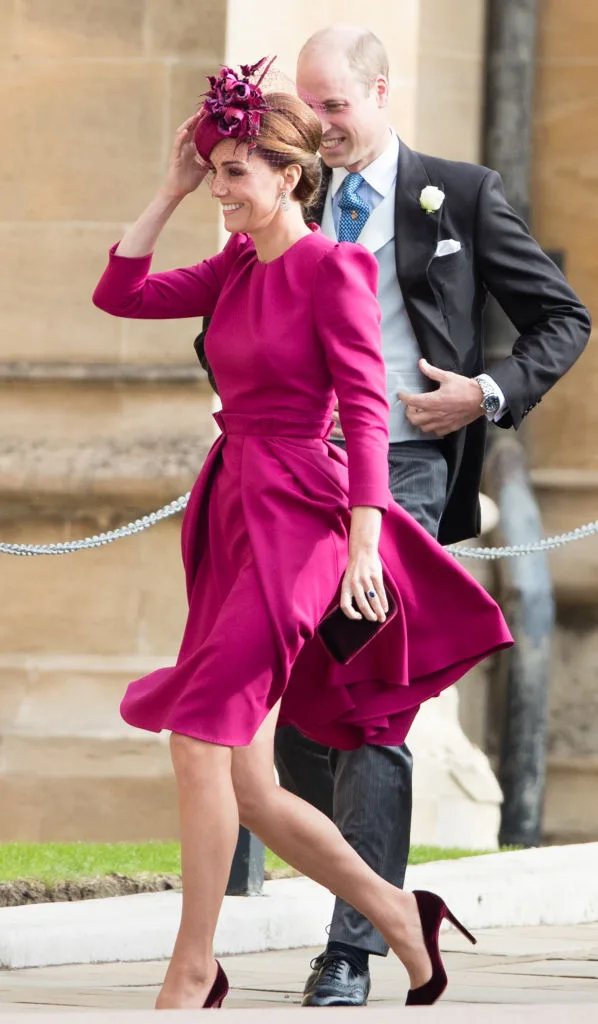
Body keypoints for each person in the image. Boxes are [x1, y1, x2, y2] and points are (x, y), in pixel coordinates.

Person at [93, 58, 512, 1010]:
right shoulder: (236, 263)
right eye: (216, 167)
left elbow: (367, 412)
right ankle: (402, 917)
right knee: (247, 783)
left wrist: (366, 540)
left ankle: (195, 968)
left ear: (291, 175)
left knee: (199, 736)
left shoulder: (335, 267)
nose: (222, 187)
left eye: (238, 170)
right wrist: (168, 190)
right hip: (230, 509)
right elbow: (120, 297)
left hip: (302, 524)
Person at [192, 27, 592, 1008]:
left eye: (335, 106)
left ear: (379, 92)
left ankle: (352, 946)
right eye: (310, 105)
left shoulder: (457, 193)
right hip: (289, 476)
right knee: (290, 709)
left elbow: (562, 319)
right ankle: (364, 907)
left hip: (403, 474)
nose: (320, 125)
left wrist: (484, 395)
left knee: (371, 705)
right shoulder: (289, 194)